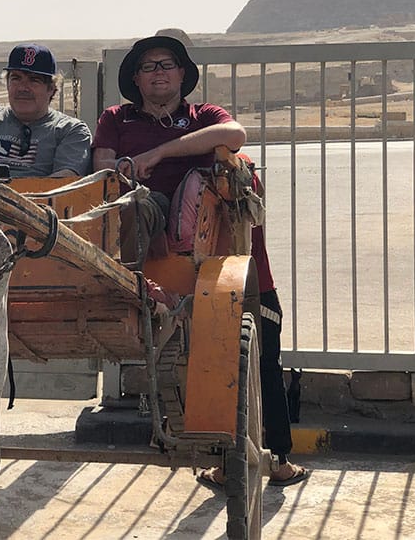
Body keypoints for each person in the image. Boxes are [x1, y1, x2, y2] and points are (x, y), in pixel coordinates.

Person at [91, 30, 310, 488]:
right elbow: (102, 169)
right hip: (141, 234)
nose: (158, 72)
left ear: (183, 75)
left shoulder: (203, 116)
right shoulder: (115, 118)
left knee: (259, 347)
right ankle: (215, 452)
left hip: (216, 250)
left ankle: (279, 455)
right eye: (149, 66)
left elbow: (234, 135)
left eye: (167, 64)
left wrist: (158, 152)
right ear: (135, 78)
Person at [0, 44, 91, 177]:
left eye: (34, 80)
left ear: (51, 88)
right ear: (7, 84)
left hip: (42, 197)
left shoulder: (71, 130)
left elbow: (65, 181)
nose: (23, 88)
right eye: (16, 78)